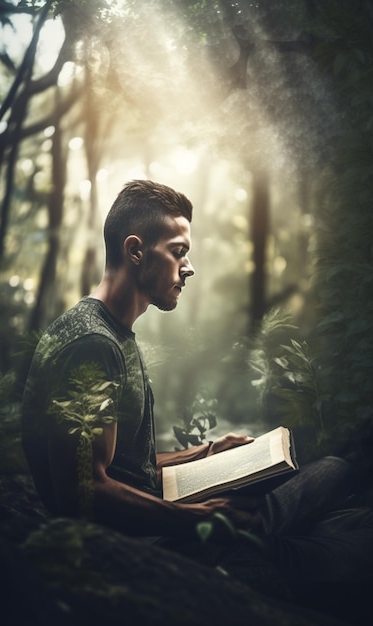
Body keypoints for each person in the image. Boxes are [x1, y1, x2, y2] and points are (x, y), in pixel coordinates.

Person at [21, 180, 373, 615]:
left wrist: (206, 451)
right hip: (148, 547)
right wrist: (202, 517)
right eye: (178, 251)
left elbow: (123, 463)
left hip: (161, 520)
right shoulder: (92, 345)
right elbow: (83, 491)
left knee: (333, 478)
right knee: (344, 519)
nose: (188, 267)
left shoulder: (110, 332)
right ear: (136, 251)